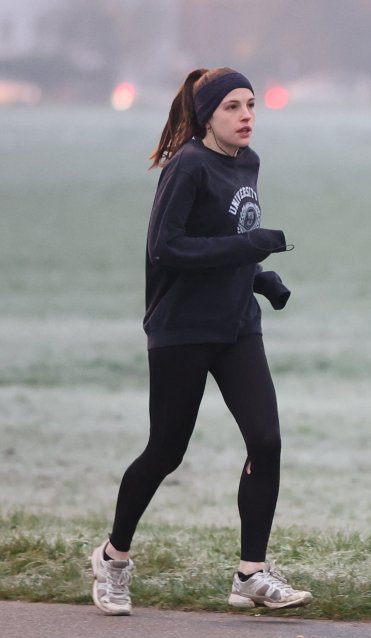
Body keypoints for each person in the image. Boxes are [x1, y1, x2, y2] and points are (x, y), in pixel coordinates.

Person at [90, 67, 312, 615]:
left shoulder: (248, 164)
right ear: (208, 114)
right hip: (182, 328)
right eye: (234, 107)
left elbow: (227, 239)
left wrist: (261, 279)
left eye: (252, 106)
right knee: (166, 451)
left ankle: (250, 575)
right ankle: (113, 558)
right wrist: (250, 251)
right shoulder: (186, 166)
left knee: (266, 441)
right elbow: (168, 249)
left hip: (236, 324)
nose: (246, 117)